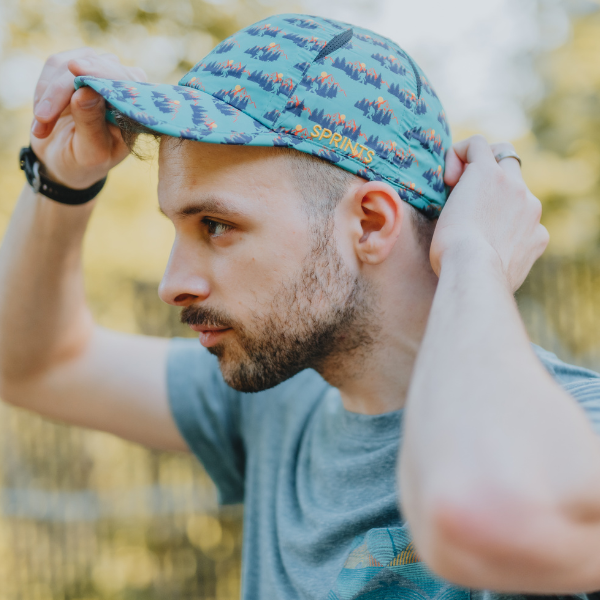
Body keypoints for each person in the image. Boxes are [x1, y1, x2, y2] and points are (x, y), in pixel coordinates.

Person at [1, 13, 600, 600]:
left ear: (369, 222)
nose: (172, 283)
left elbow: (480, 517)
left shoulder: (582, 430)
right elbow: (34, 362)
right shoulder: (281, 407)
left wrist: (477, 255)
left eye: (215, 225)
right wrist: (61, 179)